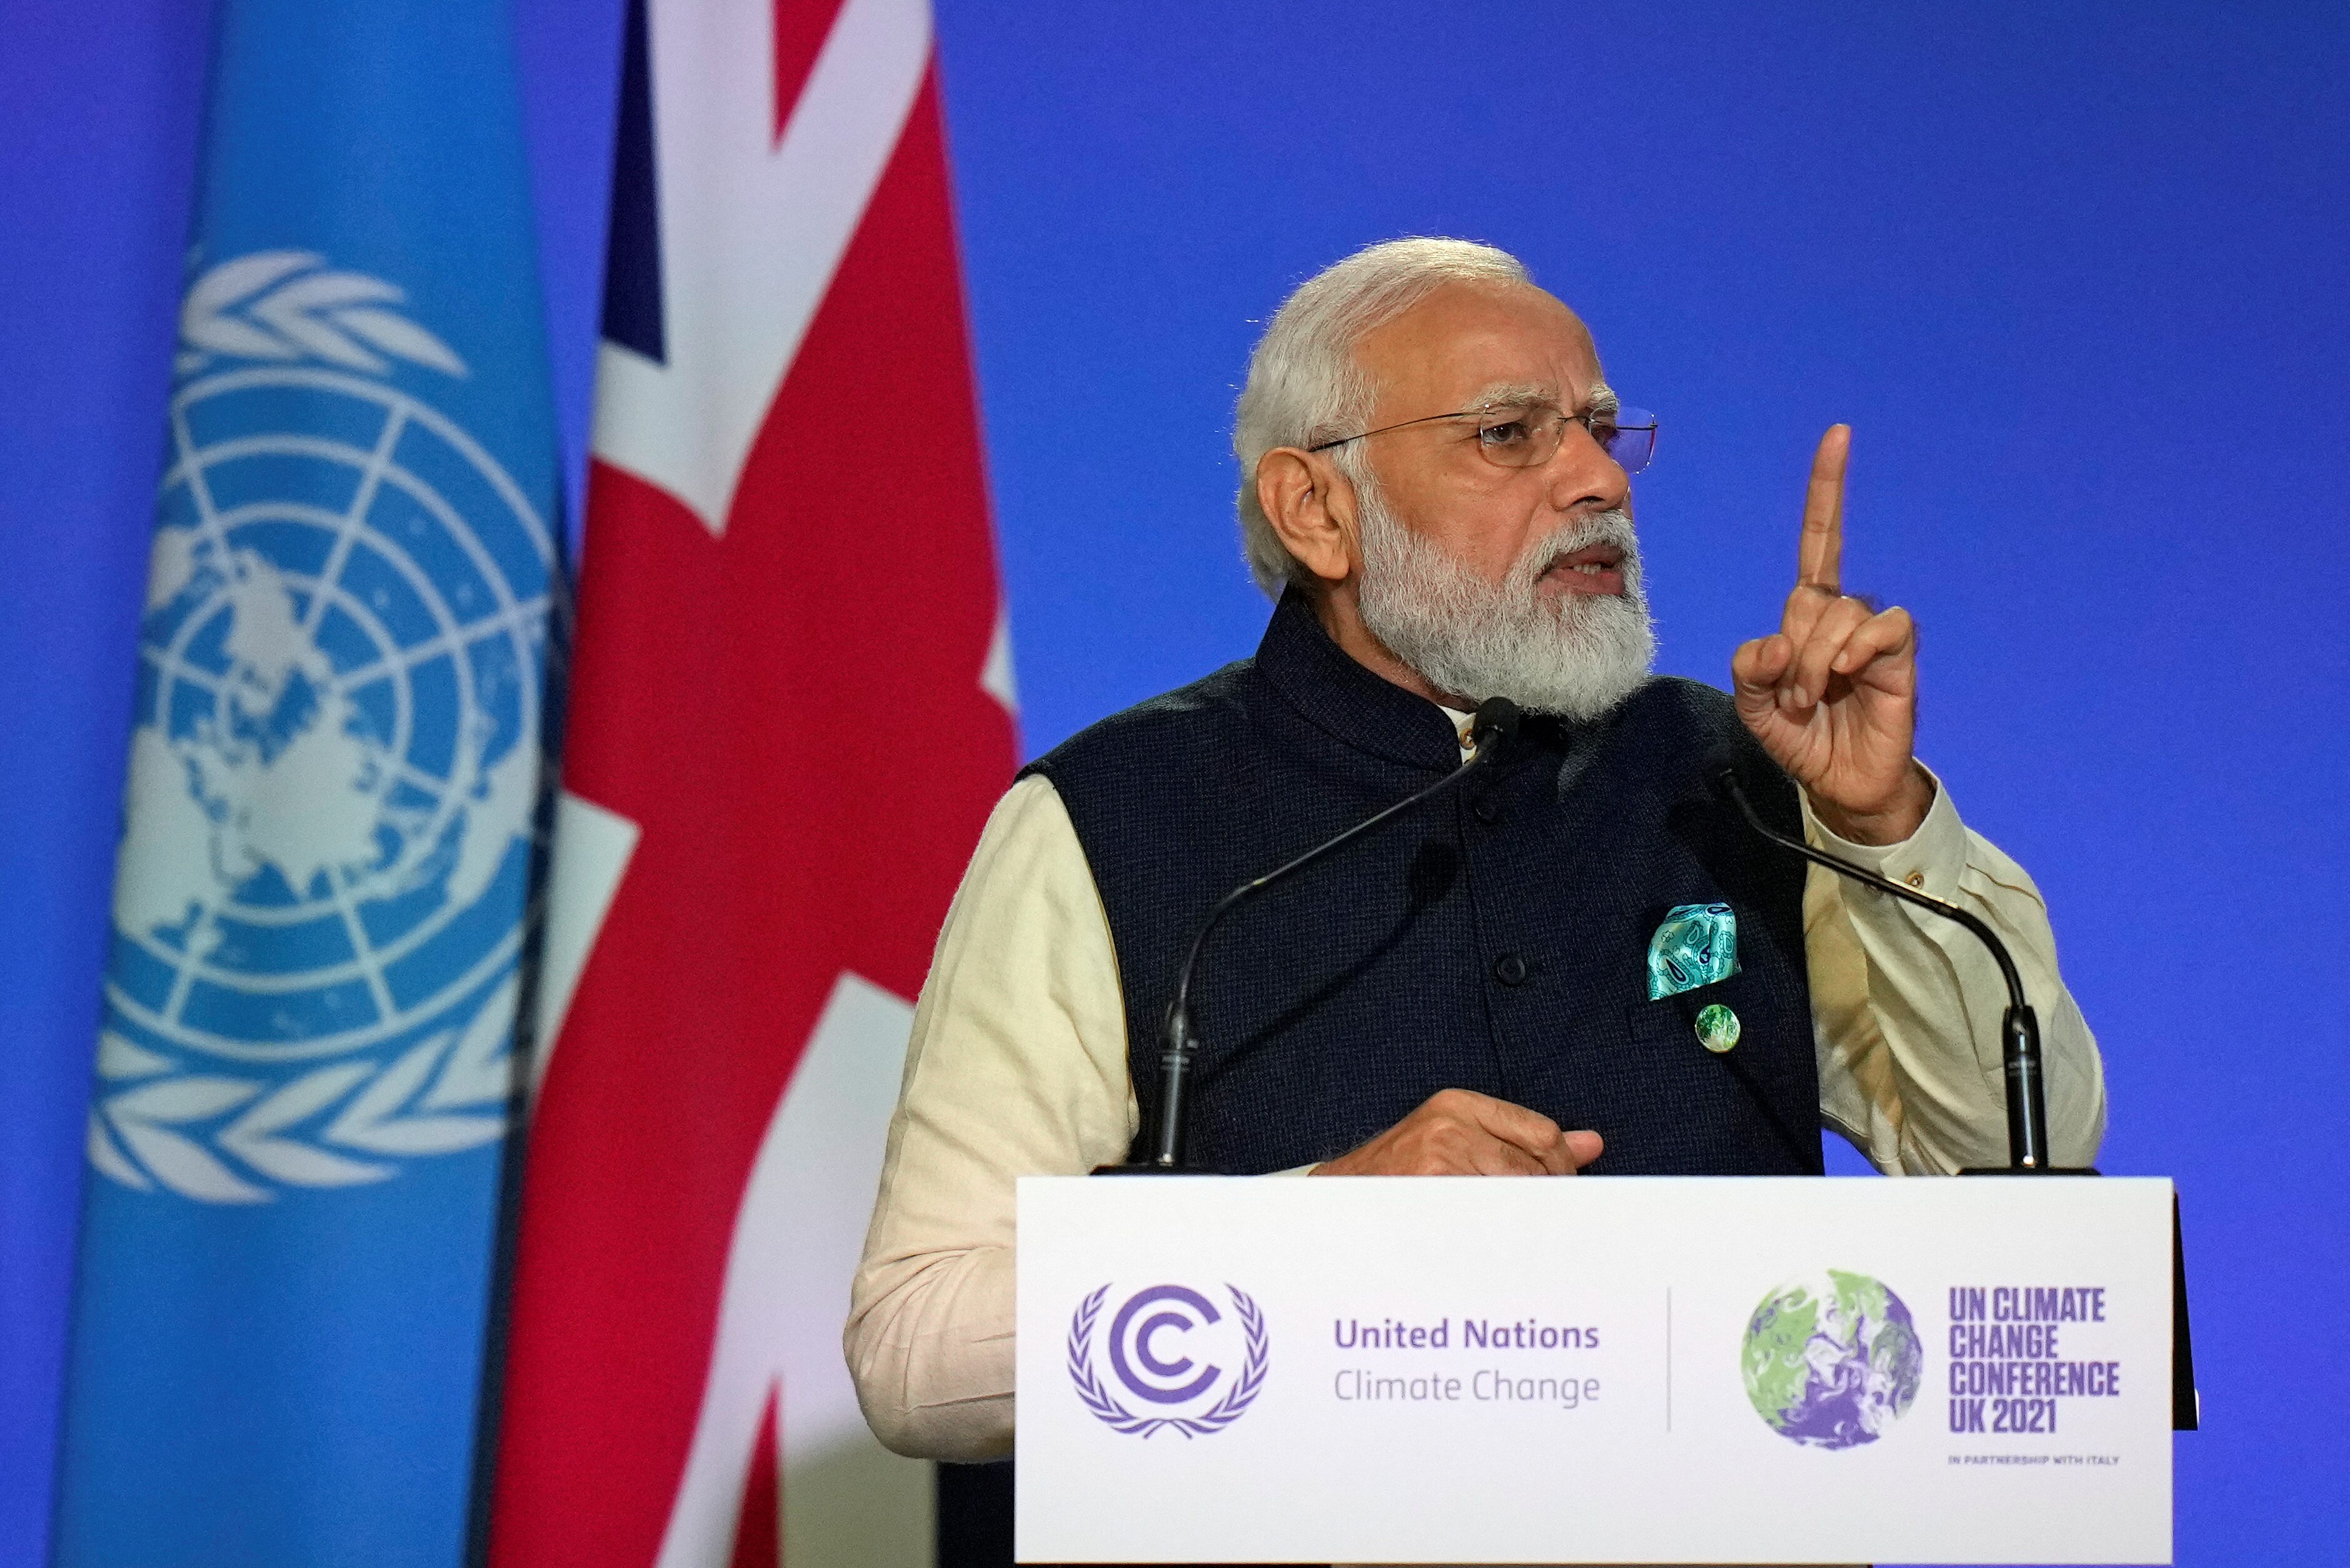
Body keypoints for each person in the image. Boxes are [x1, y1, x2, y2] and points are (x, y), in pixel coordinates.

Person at [845, 238, 2104, 1461]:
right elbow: (916, 1348)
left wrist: (1877, 829)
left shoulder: (1735, 777)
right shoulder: (1112, 815)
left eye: (1600, 429)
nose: (1597, 481)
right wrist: (1323, 1225)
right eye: (1508, 435)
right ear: (1316, 511)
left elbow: (2006, 1173)